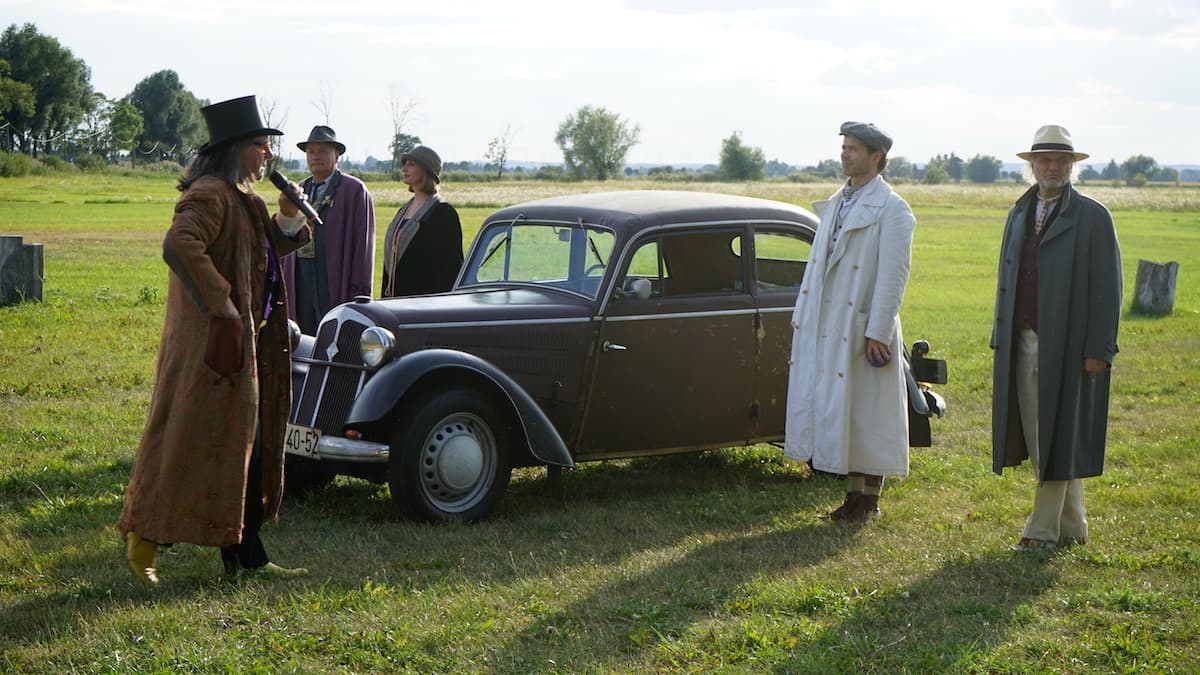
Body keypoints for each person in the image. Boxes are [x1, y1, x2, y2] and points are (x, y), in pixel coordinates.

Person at [118, 95, 312, 583]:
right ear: (235, 149)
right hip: (209, 350)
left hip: (239, 348)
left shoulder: (243, 196)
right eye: (261, 144)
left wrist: (288, 215)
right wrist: (222, 304)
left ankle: (246, 555)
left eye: (268, 145)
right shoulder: (209, 194)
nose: (268, 153)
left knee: (242, 449)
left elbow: (262, 252)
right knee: (184, 442)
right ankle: (144, 539)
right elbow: (179, 244)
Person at [991, 125, 1122, 552]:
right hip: (1023, 341)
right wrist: (1001, 335)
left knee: (1055, 433)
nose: (1053, 167)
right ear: (1031, 166)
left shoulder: (1093, 217)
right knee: (1041, 431)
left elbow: (1108, 290)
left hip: (1071, 346)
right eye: (1044, 160)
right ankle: (1073, 524)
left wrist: (1099, 350)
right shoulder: (1018, 213)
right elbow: (1006, 280)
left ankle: (1041, 529)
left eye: (1061, 161)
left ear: (1072, 166)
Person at [784, 121, 916, 522]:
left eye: (854, 149)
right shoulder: (836, 202)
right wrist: (801, 316)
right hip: (830, 323)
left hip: (864, 325)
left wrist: (877, 330)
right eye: (844, 147)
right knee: (844, 407)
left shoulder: (893, 210)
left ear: (876, 157)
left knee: (869, 412)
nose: (845, 154)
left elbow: (894, 275)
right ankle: (853, 496)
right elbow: (816, 270)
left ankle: (869, 499)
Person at [282, 125, 375, 334]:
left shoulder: (353, 190)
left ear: (337, 156)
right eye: (311, 151)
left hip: (333, 275)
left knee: (332, 333)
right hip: (301, 276)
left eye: (323, 151)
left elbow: (364, 246)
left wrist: (360, 291)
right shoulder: (297, 190)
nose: (316, 156)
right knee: (302, 334)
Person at [380, 145, 463, 297]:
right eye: (404, 164)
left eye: (411, 164)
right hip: (394, 302)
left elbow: (451, 269)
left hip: (423, 304)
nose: (404, 169)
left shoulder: (444, 213)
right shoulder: (403, 210)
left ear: (426, 170)